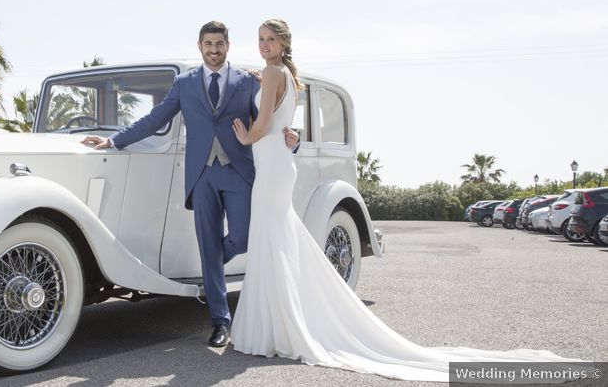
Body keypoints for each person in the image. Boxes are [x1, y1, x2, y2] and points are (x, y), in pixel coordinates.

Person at [229, 19, 578, 381]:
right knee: (278, 239)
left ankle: (276, 326)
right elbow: (280, 118)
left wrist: (244, 137)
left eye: (271, 39)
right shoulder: (282, 74)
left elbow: (265, 122)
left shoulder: (274, 74)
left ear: (284, 44)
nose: (264, 45)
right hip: (279, 165)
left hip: (271, 166)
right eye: (260, 39)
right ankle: (280, 323)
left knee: (273, 238)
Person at [82, 21, 297, 348]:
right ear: (200, 47)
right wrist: (115, 141)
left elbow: (275, 111)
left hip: (238, 171)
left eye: (219, 44)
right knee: (208, 242)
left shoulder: (247, 80)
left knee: (241, 238)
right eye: (208, 44)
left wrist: (294, 139)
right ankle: (220, 321)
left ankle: (211, 263)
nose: (214, 50)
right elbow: (156, 118)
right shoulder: (184, 84)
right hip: (201, 176)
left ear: (228, 45)